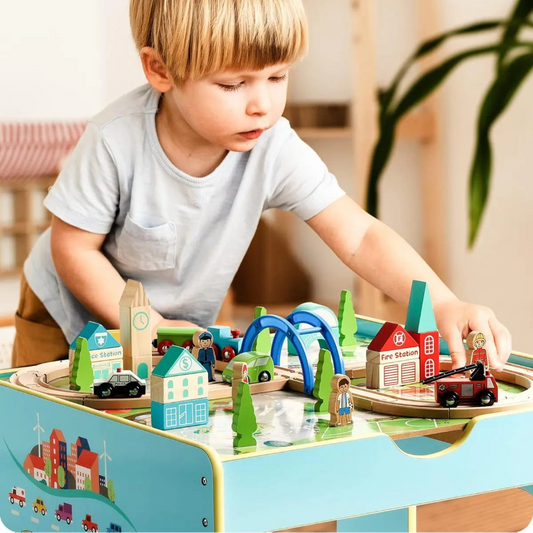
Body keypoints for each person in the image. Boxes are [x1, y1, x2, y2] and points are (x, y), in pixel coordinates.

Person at [13, 0, 511, 373]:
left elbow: (359, 235)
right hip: (63, 310)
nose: (262, 105)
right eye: (233, 85)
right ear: (160, 69)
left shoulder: (273, 145)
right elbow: (73, 250)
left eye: (278, 77)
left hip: (172, 328)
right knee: (46, 425)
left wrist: (443, 300)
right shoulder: (113, 141)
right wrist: (152, 326)